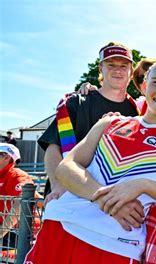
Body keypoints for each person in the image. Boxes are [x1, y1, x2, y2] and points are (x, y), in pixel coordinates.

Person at [23, 59, 156, 264]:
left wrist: (142, 185)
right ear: (144, 86)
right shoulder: (110, 122)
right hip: (61, 224)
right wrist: (107, 200)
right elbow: (66, 168)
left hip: (117, 244)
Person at [38, 42, 141, 204]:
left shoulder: (136, 112)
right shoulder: (77, 103)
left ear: (131, 71)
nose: (117, 70)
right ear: (101, 69)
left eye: (123, 66)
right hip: (69, 196)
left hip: (112, 201)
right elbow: (53, 148)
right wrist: (58, 186)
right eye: (111, 65)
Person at [0, 144, 39, 249]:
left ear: (7, 157)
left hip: (17, 232)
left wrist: (1, 232)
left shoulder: (18, 175)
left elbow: (22, 203)